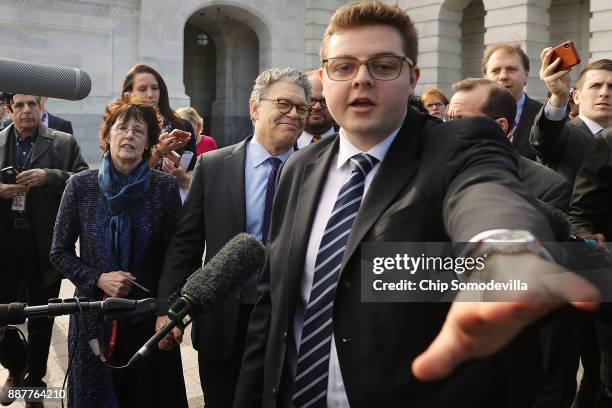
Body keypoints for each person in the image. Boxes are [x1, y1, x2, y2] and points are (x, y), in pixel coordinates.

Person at [234, 2, 598, 407]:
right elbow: (273, 310)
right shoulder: (299, 167)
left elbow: (484, 194)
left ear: (413, 77)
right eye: (343, 67)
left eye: (384, 65)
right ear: (323, 76)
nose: (361, 80)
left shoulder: (457, 144)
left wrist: (503, 247)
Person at [157, 67, 310, 408]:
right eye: (284, 104)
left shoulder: (318, 171)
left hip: (289, 322)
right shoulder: (213, 165)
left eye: (302, 108)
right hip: (224, 321)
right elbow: (186, 243)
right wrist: (170, 308)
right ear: (255, 107)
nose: (294, 114)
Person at [49, 94, 187, 408]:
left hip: (148, 322)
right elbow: (59, 252)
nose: (129, 136)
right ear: (108, 135)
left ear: (150, 141)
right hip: (94, 324)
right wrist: (99, 278)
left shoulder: (163, 188)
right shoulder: (80, 187)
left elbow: (177, 256)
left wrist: (169, 310)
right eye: (122, 127)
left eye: (139, 131)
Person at [0, 93, 88, 407]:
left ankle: (34, 381)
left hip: (45, 245)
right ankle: (15, 364)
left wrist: (49, 177)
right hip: (5, 247)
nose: (26, 111)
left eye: (32, 105)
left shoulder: (64, 143)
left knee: (41, 319)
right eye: (19, 105)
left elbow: (84, 180)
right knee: (3, 320)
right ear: (9, 109)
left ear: (42, 107)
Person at [446, 78, 571, 212]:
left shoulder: (549, 187)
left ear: (500, 126)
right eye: (448, 119)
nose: (448, 128)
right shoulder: (435, 172)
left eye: (460, 119)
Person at [530, 56, 612, 184]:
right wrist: (559, 97)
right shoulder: (563, 135)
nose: (604, 93)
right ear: (576, 97)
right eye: (595, 85)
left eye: (611, 87)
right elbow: (543, 138)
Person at [121, 64, 197, 191]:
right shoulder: (120, 128)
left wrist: (182, 177)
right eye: (142, 89)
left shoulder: (182, 126)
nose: (150, 94)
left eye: (155, 88)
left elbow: (193, 172)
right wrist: (159, 153)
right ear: (129, 93)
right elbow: (123, 174)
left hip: (173, 202)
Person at [482, 43, 543, 160]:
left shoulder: (545, 117)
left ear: (526, 74)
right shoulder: (472, 115)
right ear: (485, 77)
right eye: (495, 71)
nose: (503, 76)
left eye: (511, 69)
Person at [297, 70, 336, 149]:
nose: (317, 107)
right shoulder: (282, 142)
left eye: (325, 100)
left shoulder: (352, 142)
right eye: (311, 100)